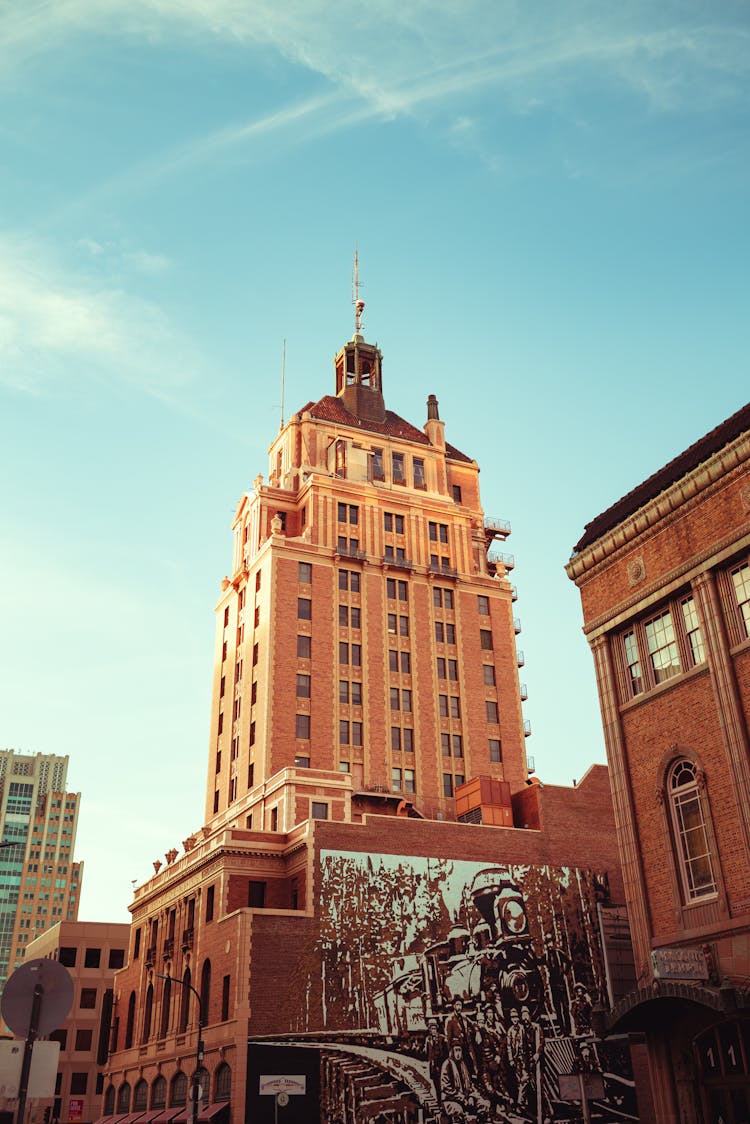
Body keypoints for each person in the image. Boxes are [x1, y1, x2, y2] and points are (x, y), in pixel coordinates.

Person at [440, 1043, 491, 1121]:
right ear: (452, 1052)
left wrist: (471, 1096)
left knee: (484, 1104)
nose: (458, 1053)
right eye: (456, 1050)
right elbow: (446, 1088)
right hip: (450, 1099)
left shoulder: (463, 1064)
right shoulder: (447, 1064)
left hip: (465, 1098)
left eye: (459, 1051)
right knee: (458, 1111)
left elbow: (469, 1085)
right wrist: (462, 1098)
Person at [445, 997, 477, 1073]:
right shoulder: (449, 1020)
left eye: (460, 1005)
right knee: (458, 1069)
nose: (459, 1007)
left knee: (470, 1065)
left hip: (466, 1046)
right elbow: (448, 1037)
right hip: (457, 1047)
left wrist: (477, 1031)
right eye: (457, 1005)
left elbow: (473, 1024)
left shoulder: (464, 1017)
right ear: (453, 1006)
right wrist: (450, 1050)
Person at [425, 1020, 449, 1104]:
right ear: (430, 1030)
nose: (433, 1030)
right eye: (432, 1029)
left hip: (441, 1064)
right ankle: (439, 1101)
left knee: (443, 1082)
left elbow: (446, 1052)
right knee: (436, 1083)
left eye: (435, 1028)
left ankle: (445, 1100)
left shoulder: (442, 1038)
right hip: (433, 1065)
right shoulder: (428, 1039)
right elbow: (427, 1053)